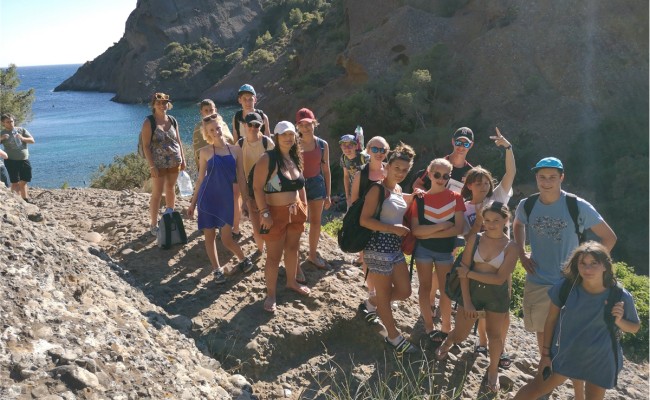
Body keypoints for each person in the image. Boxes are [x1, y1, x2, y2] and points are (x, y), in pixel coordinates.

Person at [513, 156, 617, 400]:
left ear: (562, 177)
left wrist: (589, 269)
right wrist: (521, 253)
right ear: (536, 178)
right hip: (538, 281)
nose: (546, 182)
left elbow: (609, 237)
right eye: (542, 177)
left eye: (552, 177)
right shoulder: (527, 205)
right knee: (544, 340)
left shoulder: (577, 205)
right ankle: (544, 386)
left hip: (570, 285)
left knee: (573, 343)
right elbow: (518, 224)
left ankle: (578, 393)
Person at [513, 242, 639, 400]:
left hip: (600, 359)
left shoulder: (619, 295)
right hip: (565, 354)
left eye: (594, 263)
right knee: (534, 390)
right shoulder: (566, 287)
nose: (587, 269)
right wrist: (545, 354)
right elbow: (551, 320)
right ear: (576, 265)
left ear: (605, 266)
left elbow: (634, 327)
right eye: (583, 263)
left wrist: (619, 321)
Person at [435, 201, 518, 393]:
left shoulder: (511, 247)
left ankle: (493, 370)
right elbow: (462, 273)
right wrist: (467, 302)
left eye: (495, 220)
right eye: (487, 220)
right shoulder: (475, 239)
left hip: (496, 296)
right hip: (472, 292)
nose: (490, 224)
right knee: (461, 334)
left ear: (506, 220)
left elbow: (499, 279)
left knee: (495, 335)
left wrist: (470, 273)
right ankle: (448, 341)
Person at [460, 127, 515, 367]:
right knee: (481, 305)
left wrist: (508, 148)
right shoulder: (464, 207)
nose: (483, 187)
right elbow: (466, 236)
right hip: (478, 260)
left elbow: (511, 172)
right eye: (477, 183)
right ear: (469, 185)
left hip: (503, 259)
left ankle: (500, 347)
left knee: (502, 307)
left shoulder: (498, 197)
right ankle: (482, 342)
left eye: (485, 183)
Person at [360, 142, 418, 353]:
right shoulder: (377, 189)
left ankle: (370, 304)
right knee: (385, 294)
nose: (400, 173)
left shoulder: (398, 189)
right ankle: (393, 337)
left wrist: (415, 196)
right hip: (377, 246)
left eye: (405, 170)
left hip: (394, 247)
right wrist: (392, 229)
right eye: (397, 168)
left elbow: (397, 207)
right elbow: (365, 220)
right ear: (387, 166)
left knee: (404, 291)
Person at [412, 127, 474, 317]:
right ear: (453, 141)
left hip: (453, 222)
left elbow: (473, 196)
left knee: (445, 260)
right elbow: (417, 184)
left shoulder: (470, 171)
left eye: (465, 143)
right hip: (430, 218)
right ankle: (430, 300)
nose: (461, 146)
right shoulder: (440, 164)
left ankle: (434, 298)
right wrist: (422, 194)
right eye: (459, 141)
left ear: (471, 145)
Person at [187, 113, 254, 282]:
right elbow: (200, 180)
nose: (216, 132)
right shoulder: (205, 152)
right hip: (207, 198)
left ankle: (243, 259)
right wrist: (192, 203)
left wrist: (245, 201)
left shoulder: (236, 150)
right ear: (207, 133)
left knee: (226, 238)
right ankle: (217, 270)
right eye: (211, 130)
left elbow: (241, 177)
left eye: (217, 127)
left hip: (226, 200)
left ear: (222, 127)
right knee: (209, 237)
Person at [253, 121, 310, 313]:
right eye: (284, 134)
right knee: (273, 257)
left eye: (291, 134)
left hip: (295, 212)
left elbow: (301, 185)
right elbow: (257, 188)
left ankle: (291, 282)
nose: (288, 138)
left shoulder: (295, 157)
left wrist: (304, 206)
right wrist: (264, 212)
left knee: (293, 249)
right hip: (274, 214)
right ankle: (271, 294)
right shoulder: (267, 159)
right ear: (276, 137)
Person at [410, 158, 465, 344]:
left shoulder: (456, 198)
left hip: (444, 251)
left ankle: (446, 328)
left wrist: (428, 233)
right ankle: (428, 327)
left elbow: (458, 228)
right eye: (437, 175)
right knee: (424, 288)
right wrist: (441, 226)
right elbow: (415, 230)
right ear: (429, 174)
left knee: (445, 290)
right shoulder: (420, 199)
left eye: (445, 176)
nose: (441, 179)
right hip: (423, 250)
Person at [352, 136, 389, 324]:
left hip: (386, 221)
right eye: (375, 149)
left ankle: (380, 294)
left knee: (382, 258)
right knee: (367, 257)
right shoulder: (361, 174)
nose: (379, 153)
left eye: (383, 150)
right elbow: (353, 200)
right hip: (365, 222)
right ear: (367, 150)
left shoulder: (390, 171)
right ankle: (372, 293)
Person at [140, 93, 187, 236]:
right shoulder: (149, 122)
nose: (162, 105)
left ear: (168, 104)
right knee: (157, 193)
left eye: (164, 102)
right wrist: (152, 166)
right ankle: (154, 224)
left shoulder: (172, 120)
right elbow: (146, 146)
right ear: (153, 105)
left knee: (171, 189)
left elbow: (178, 141)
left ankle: (170, 216)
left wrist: (183, 159)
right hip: (158, 164)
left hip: (174, 161)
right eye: (158, 102)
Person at [191, 99, 239, 238]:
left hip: (226, 169)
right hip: (209, 170)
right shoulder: (198, 128)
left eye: (211, 110)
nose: (209, 113)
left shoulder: (221, 124)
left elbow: (231, 141)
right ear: (201, 112)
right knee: (211, 197)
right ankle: (211, 224)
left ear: (215, 110)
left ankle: (228, 226)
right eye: (206, 110)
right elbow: (197, 150)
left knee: (228, 199)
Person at [296, 108, 332, 270]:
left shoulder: (322, 145)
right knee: (298, 222)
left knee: (316, 222)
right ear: (297, 126)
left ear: (314, 123)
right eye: (302, 125)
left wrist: (328, 194)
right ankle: (295, 258)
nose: (305, 128)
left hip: (317, 184)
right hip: (298, 186)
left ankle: (312, 254)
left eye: (308, 124)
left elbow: (326, 170)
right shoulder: (293, 144)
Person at [240, 111, 275, 261]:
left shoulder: (267, 142)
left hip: (268, 187)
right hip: (250, 188)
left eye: (257, 125)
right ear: (244, 125)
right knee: (255, 222)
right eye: (251, 125)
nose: (254, 128)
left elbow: (276, 165)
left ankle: (270, 249)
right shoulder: (240, 145)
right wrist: (243, 198)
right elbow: (239, 173)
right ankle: (260, 250)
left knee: (267, 218)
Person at [1, 114, 35, 201]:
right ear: (3, 123)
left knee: (25, 179)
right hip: (11, 160)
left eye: (11, 121)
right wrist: (1, 138)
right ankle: (19, 200)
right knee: (14, 182)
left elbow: (32, 140)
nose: (10, 123)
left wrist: (22, 138)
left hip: (24, 159)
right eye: (8, 122)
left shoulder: (21, 130)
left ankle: (23, 198)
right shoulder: (2, 133)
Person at [339, 134, 369, 209]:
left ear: (356, 146)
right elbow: (346, 176)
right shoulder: (343, 158)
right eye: (344, 146)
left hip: (367, 191)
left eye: (350, 146)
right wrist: (347, 196)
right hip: (353, 192)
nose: (347, 149)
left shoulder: (364, 157)